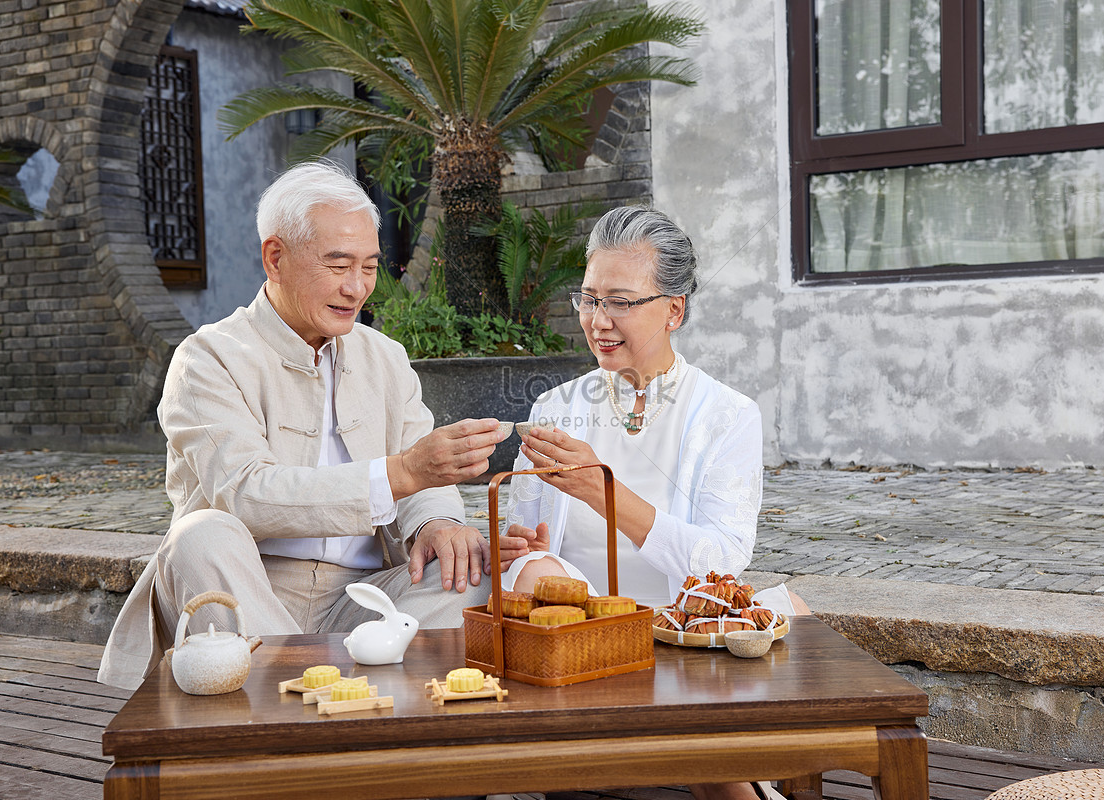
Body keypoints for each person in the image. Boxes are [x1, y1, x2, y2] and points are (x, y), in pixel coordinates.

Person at [98, 161, 502, 690]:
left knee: (471, 566)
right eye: (338, 266)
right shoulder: (208, 358)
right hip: (250, 588)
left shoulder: (386, 357)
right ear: (276, 257)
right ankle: (315, 707)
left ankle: (319, 697)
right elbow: (244, 492)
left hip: (366, 594)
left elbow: (425, 484)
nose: (357, 288)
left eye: (369, 267)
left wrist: (436, 524)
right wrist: (402, 472)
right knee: (200, 536)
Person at [497, 206, 808, 800]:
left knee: (793, 612)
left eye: (620, 301)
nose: (598, 320)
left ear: (674, 309)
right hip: (582, 633)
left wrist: (604, 492)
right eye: (588, 300)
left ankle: (721, 766)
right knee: (535, 572)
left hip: (683, 626)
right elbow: (529, 548)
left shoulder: (725, 415)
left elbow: (721, 563)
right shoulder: (555, 408)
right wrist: (512, 547)